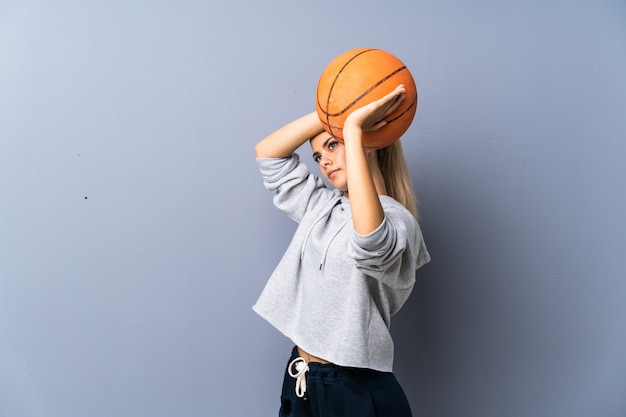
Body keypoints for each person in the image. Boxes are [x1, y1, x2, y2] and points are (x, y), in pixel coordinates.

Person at [253, 84, 430, 417]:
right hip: (301, 377)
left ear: (368, 143)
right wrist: (336, 115)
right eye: (318, 155)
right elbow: (268, 154)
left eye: (333, 145)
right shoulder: (322, 207)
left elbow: (370, 243)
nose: (324, 161)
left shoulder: (398, 221)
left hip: (353, 387)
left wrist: (353, 129)